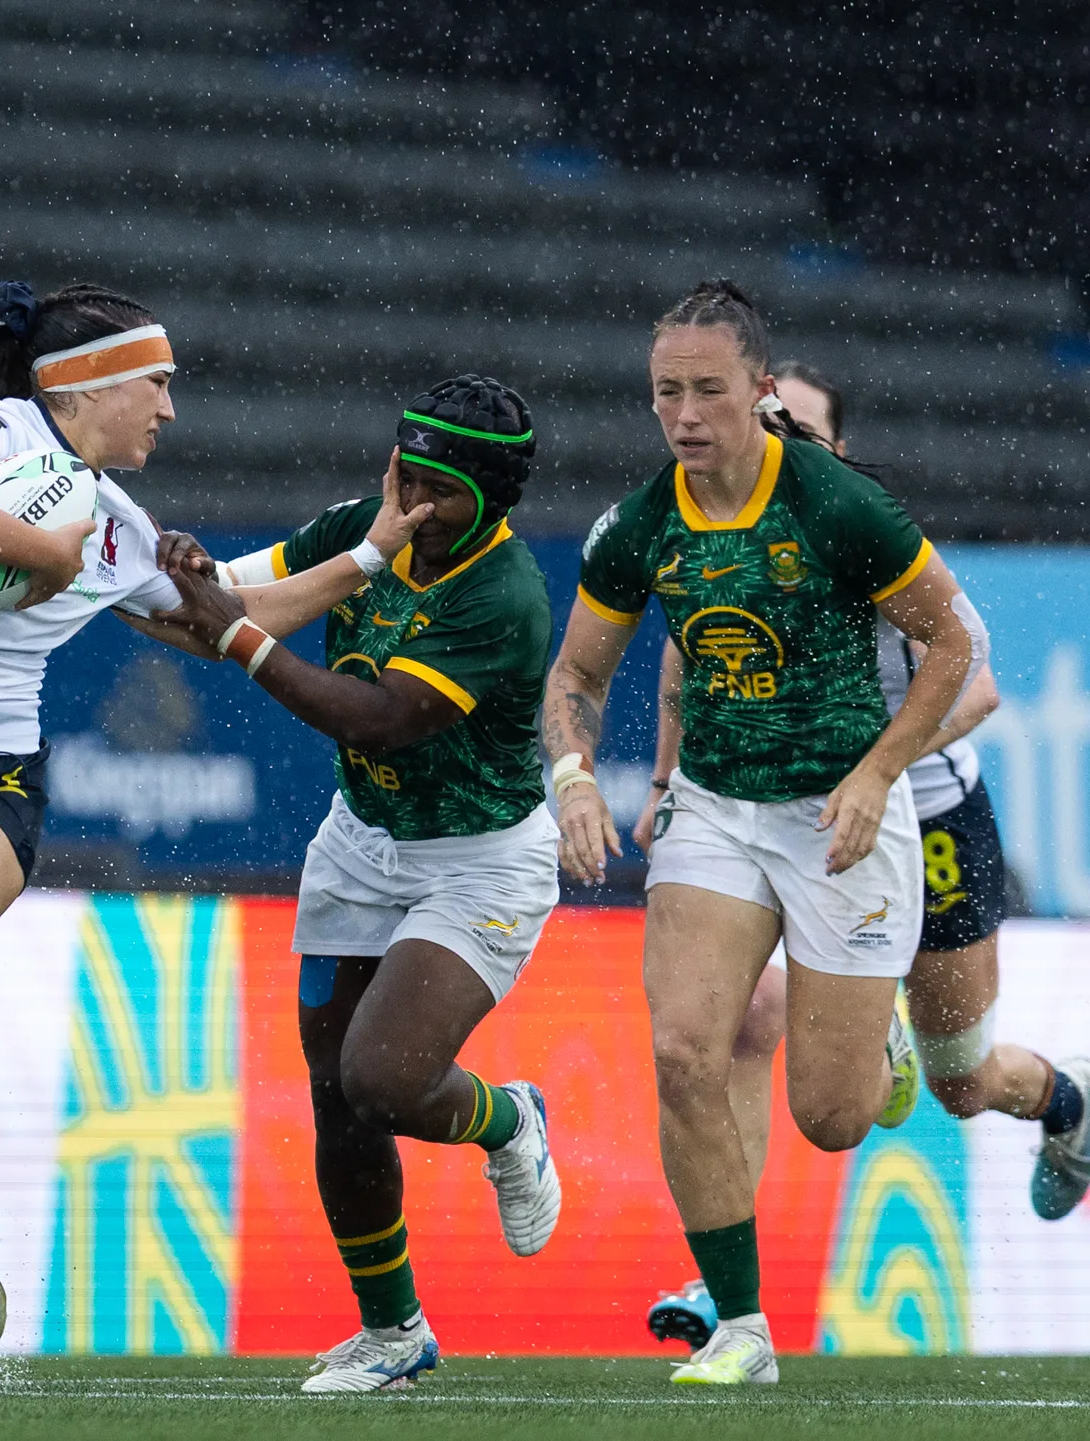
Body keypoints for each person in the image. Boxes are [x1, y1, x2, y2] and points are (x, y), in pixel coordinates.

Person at [0, 280, 403, 1359]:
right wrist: (42, 552)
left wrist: (378, 548)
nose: (169, 410)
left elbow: (226, 622)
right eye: (157, 383)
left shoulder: (118, 524)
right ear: (89, 382)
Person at [544, 279, 985, 1387]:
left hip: (837, 811)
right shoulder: (641, 524)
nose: (684, 415)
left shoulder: (838, 503)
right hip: (717, 811)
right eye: (664, 394)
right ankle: (742, 1325)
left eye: (706, 390)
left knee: (832, 1118)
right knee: (685, 1046)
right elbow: (578, 674)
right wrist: (575, 777)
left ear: (756, 389)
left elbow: (950, 650)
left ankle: (869, 1024)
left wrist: (881, 773)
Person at [640, 361, 1090, 1349]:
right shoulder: (726, 541)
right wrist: (670, 777)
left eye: (799, 427)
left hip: (927, 824)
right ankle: (725, 1279)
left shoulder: (869, 533)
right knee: (749, 1020)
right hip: (786, 818)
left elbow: (973, 687)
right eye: (767, 423)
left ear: (838, 447)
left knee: (960, 1080)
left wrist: (870, 771)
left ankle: (1069, 1102)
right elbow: (684, 647)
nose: (774, 442)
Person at [161, 376, 562, 1393]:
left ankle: (510, 1121)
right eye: (405, 472)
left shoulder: (502, 595)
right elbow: (235, 596)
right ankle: (394, 1334)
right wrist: (164, 578)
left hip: (479, 859)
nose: (416, 504)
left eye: (443, 490)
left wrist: (232, 632)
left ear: (497, 496)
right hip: (361, 841)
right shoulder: (366, 527)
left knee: (385, 1077)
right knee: (338, 1098)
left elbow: (373, 718)